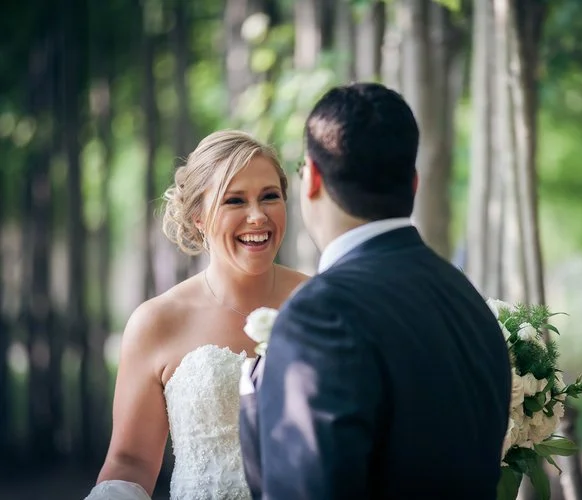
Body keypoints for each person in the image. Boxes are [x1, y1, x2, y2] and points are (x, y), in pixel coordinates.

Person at [239, 83, 512, 499]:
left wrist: (256, 411)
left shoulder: (322, 312)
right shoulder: (469, 301)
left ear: (312, 177)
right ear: (415, 182)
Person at [85, 130, 308, 500]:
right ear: (198, 217)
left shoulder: (322, 301)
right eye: (234, 201)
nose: (257, 216)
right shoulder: (157, 322)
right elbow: (131, 462)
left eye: (270, 196)